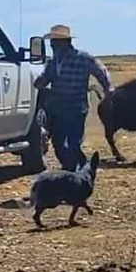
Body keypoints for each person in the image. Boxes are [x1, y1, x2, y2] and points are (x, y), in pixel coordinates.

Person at [34, 24, 113, 171]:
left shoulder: (83, 58)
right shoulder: (53, 62)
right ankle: (78, 166)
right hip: (58, 108)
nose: (52, 45)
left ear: (65, 43)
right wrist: (39, 82)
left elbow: (101, 71)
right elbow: (45, 78)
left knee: (73, 142)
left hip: (77, 107)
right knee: (58, 142)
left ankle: (71, 170)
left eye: (54, 42)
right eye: (52, 42)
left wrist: (108, 89)